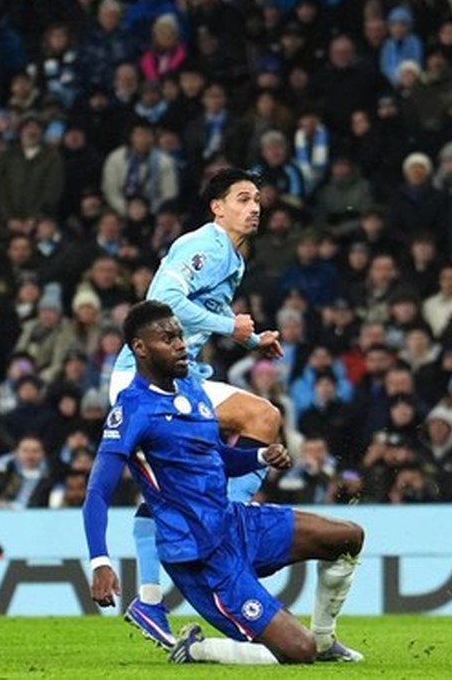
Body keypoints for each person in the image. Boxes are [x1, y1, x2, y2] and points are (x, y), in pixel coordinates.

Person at [84, 301, 364, 664]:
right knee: (298, 651)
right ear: (140, 348)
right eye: (167, 339)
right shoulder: (132, 410)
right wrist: (99, 561)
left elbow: (218, 459)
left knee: (348, 537)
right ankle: (196, 649)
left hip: (234, 522)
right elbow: (97, 491)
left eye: (180, 336)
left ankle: (326, 640)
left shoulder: (192, 392)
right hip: (201, 556)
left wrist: (260, 457)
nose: (181, 345)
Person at [108, 168, 285, 647]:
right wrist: (235, 329)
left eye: (258, 200)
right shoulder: (202, 246)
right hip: (143, 384)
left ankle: (149, 601)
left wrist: (251, 336)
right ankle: (226, 520)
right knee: (256, 421)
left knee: (262, 419)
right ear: (217, 207)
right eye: (243, 198)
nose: (254, 208)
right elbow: (162, 301)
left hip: (184, 380)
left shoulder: (233, 258)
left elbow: (199, 322)